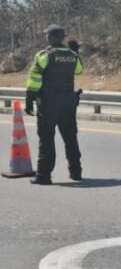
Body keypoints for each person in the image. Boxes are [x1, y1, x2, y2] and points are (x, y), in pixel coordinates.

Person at [24, 24, 85, 185]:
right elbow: (79, 70)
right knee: (71, 138)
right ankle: (76, 172)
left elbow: (34, 78)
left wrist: (29, 100)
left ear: (51, 38)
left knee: (46, 139)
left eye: (47, 35)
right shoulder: (72, 55)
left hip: (49, 103)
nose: (46, 38)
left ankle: (44, 175)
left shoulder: (44, 55)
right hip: (68, 102)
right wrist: (76, 52)